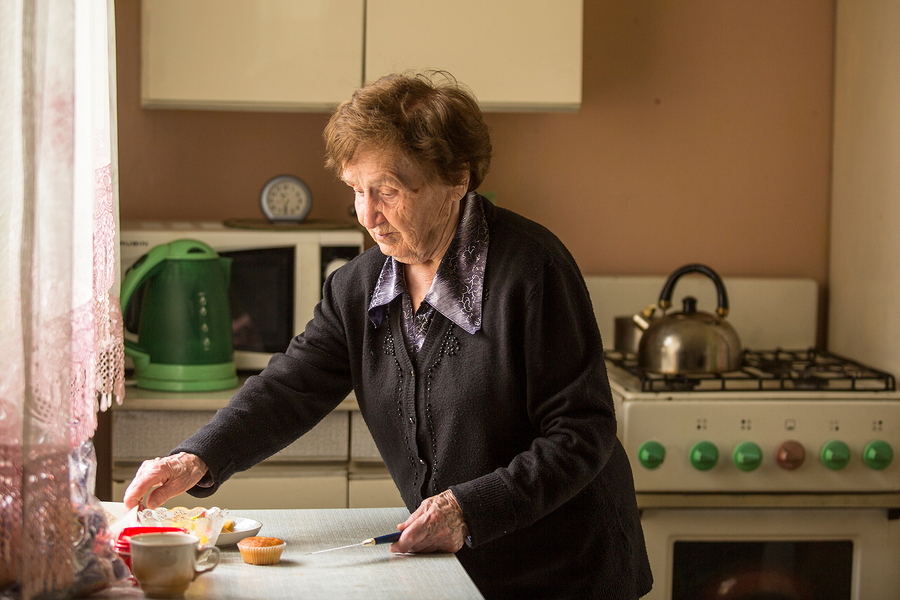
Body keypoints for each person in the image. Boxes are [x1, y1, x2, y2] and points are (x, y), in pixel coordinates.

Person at [123, 71, 653, 599]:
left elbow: (582, 434)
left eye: (390, 192)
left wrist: (468, 509)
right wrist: (195, 458)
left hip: (568, 572)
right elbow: (289, 388)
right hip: (458, 572)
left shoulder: (532, 272)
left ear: (457, 180)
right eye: (357, 190)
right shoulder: (359, 287)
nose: (368, 216)